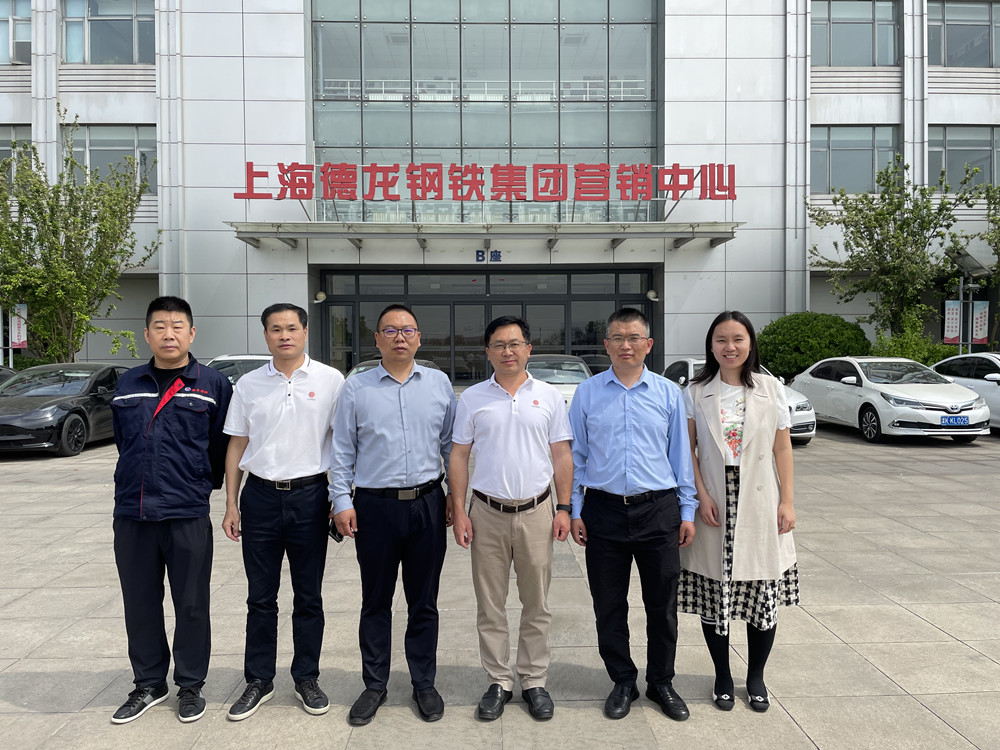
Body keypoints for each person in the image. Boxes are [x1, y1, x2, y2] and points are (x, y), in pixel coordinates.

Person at [330, 304, 457, 726]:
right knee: (376, 600)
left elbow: (450, 446)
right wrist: (341, 501)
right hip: (375, 506)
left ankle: (424, 682)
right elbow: (342, 450)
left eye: (407, 330)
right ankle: (375, 684)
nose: (399, 337)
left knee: (424, 600)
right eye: (390, 330)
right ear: (377, 339)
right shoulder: (357, 388)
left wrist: (455, 497)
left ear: (419, 338)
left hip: (427, 502)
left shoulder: (439, 384)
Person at [568, 307, 696, 722]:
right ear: (606, 345)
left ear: (648, 344)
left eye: (634, 337)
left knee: (662, 605)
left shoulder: (668, 393)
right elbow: (576, 457)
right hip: (603, 511)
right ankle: (623, 680)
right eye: (618, 338)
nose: (626, 345)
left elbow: (681, 457)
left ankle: (661, 682)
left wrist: (687, 510)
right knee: (608, 605)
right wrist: (575, 509)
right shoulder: (587, 393)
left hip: (658, 510)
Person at [110, 296, 232, 724]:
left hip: (187, 512)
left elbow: (221, 447)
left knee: (192, 603)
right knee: (140, 602)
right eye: (160, 326)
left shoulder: (213, 384)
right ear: (147, 334)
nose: (169, 334)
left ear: (191, 333)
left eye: (177, 326)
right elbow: (125, 442)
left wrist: (198, 485)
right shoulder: (128, 383)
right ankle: (149, 683)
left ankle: (191, 685)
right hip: (133, 512)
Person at [221, 303, 345, 721]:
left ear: (305, 332)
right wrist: (231, 503)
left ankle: (307, 677)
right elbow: (237, 443)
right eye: (276, 329)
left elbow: (342, 443)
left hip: (311, 497)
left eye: (292, 328)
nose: (284, 335)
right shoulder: (249, 384)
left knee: (308, 595)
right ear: (266, 335)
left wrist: (340, 497)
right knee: (260, 597)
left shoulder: (330, 380)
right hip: (259, 497)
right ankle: (259, 680)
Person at [448, 316, 574, 722]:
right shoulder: (472, 398)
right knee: (490, 605)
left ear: (528, 349)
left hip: (537, 511)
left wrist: (564, 507)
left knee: (537, 603)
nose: (508, 351)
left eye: (515, 343)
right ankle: (499, 681)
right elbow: (459, 456)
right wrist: (459, 510)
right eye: (499, 345)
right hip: (487, 513)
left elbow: (561, 455)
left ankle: (534, 680)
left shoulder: (548, 396)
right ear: (488, 352)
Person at [680, 310, 798, 713]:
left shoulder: (771, 387)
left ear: (750, 343)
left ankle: (756, 676)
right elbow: (687, 450)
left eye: (738, 339)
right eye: (721, 340)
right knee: (716, 592)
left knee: (760, 592)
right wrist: (700, 495)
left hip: (761, 499)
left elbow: (783, 447)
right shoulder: (697, 391)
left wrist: (787, 500)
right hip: (714, 498)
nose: (729, 347)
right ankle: (723, 676)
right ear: (711, 346)